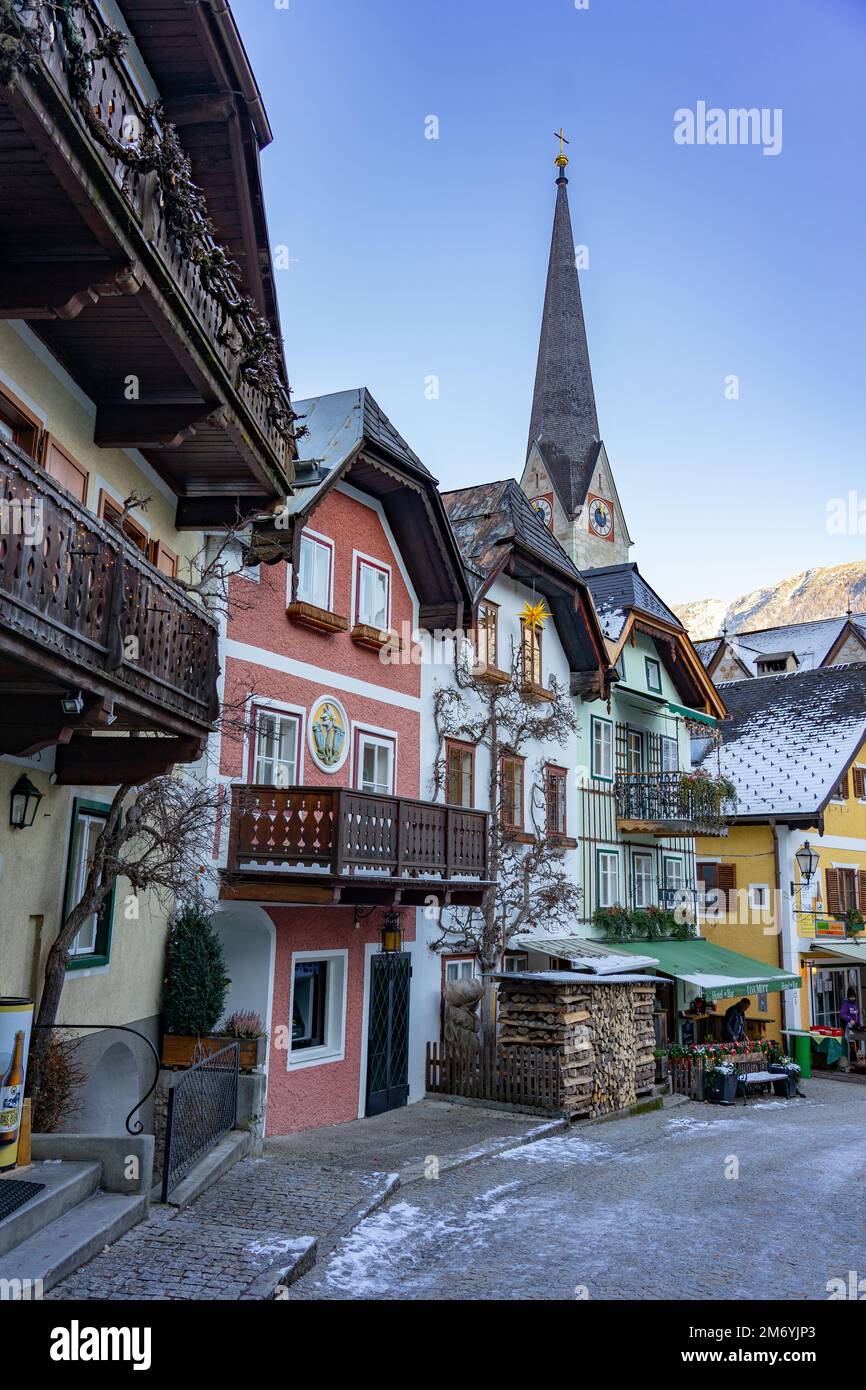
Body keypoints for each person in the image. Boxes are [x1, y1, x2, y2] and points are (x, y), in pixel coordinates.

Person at [840, 988, 860, 1066]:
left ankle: (855, 1058)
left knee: (856, 1043)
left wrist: (857, 1021)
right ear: (848, 997)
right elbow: (842, 1014)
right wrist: (849, 1019)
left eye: (854, 997)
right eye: (851, 997)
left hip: (855, 1027)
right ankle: (849, 1059)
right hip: (847, 1027)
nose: (853, 998)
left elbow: (857, 1015)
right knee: (849, 1043)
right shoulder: (846, 1004)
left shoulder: (855, 1005)